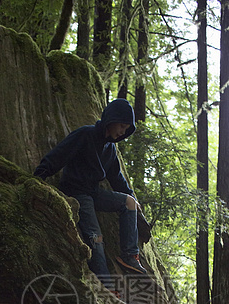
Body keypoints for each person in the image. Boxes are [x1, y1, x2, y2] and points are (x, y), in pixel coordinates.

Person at [33, 99, 147, 287]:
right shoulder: (85, 134)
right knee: (97, 240)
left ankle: (129, 256)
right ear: (111, 119)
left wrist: (132, 196)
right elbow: (60, 154)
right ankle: (107, 287)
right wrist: (39, 176)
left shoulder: (110, 148)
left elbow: (117, 178)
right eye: (121, 126)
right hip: (76, 193)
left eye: (126, 129)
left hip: (93, 193)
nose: (122, 132)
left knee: (129, 202)